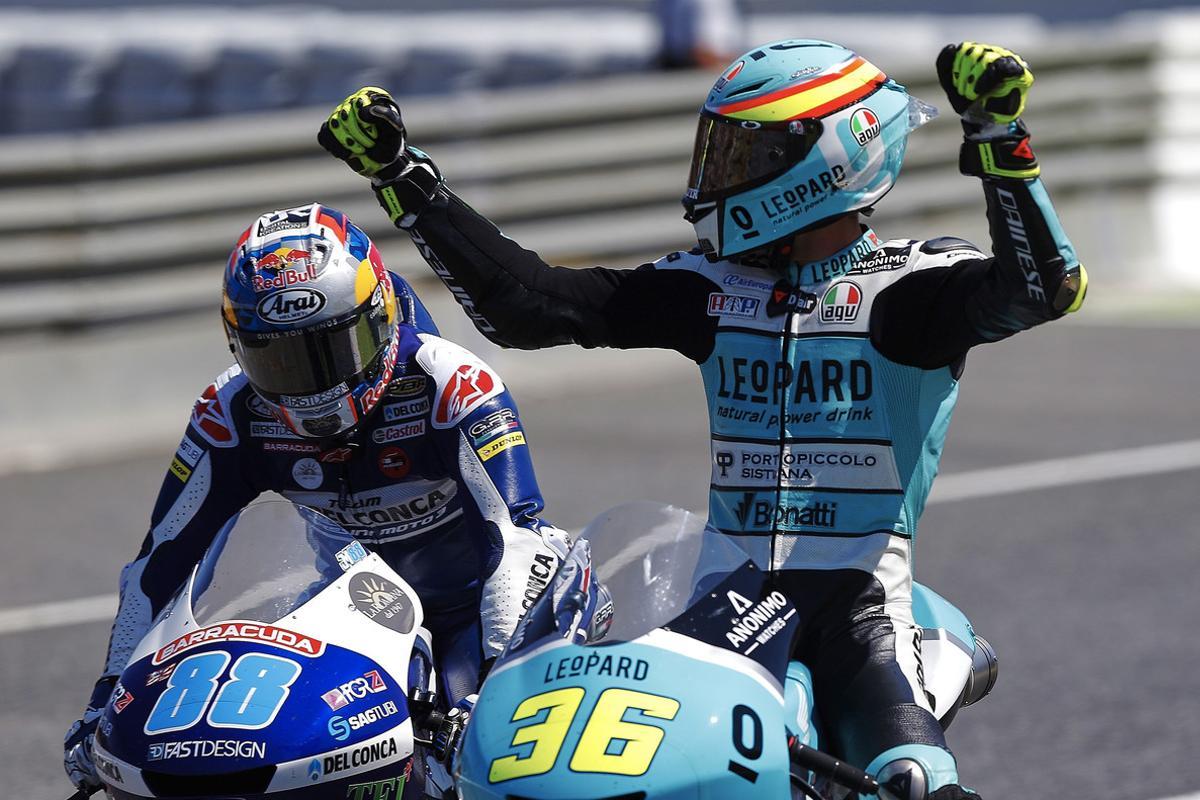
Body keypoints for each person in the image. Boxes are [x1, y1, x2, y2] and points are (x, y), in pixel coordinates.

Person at [317, 40, 1086, 800]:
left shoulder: (913, 288)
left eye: (742, 156)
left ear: (827, 161)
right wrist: (403, 179)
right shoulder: (709, 288)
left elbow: (1042, 288)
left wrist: (997, 138)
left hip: (859, 614)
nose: (717, 176)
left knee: (917, 780)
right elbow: (530, 307)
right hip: (726, 601)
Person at [62, 203, 569, 793]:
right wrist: (104, 706)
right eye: (279, 360)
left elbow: (518, 541)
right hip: (349, 615)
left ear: (378, 319)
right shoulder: (230, 412)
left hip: (478, 611)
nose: (310, 383)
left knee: (480, 758)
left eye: (333, 350)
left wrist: (492, 691)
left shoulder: (451, 383)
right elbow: (161, 564)